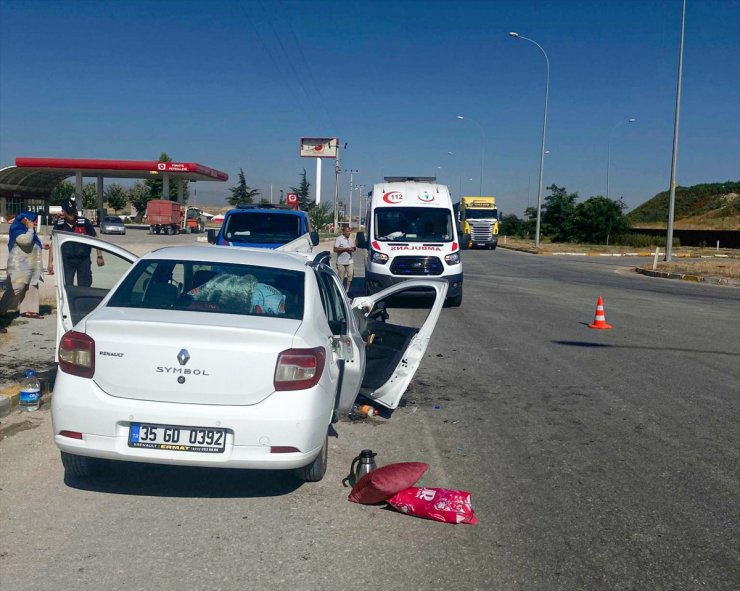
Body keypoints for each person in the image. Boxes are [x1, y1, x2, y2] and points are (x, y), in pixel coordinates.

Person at [0, 212, 50, 329]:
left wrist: (41, 245)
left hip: (31, 264)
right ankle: (1, 309)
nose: (34, 222)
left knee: (32, 286)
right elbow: (25, 241)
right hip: (19, 265)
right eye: (32, 220)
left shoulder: (27, 229)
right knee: (17, 288)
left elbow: (32, 240)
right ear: (25, 219)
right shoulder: (17, 228)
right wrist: (31, 228)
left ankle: (30, 310)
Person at [47, 198, 104, 287]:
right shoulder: (59, 225)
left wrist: (99, 256)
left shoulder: (84, 222)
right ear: (63, 211)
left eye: (73, 211)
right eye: (69, 212)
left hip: (83, 260)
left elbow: (95, 238)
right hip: (67, 261)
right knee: (67, 286)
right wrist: (50, 263)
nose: (71, 214)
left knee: (85, 286)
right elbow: (53, 243)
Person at [333, 225, 356, 291]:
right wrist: (345, 249)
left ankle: (347, 290)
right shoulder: (339, 239)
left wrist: (353, 249)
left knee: (350, 275)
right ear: (343, 232)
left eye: (349, 231)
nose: (349, 233)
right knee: (341, 277)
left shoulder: (350, 239)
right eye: (347, 231)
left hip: (350, 261)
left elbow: (354, 248)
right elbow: (335, 249)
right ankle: (339, 290)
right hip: (341, 262)